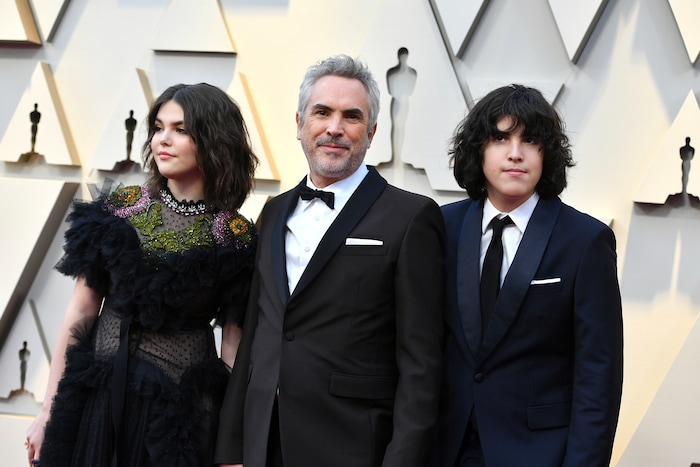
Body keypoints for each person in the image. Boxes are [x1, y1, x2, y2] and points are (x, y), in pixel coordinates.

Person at [215, 54, 445, 467]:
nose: (334, 128)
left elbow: (421, 364)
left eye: (351, 116)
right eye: (322, 112)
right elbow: (255, 336)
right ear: (300, 123)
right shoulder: (273, 212)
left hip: (352, 446)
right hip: (262, 442)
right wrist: (232, 448)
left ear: (372, 131)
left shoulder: (411, 217)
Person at [25, 83, 259, 466]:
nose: (163, 140)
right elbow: (80, 314)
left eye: (181, 130)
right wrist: (48, 410)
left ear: (214, 140)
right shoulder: (121, 208)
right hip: (97, 404)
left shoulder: (233, 235)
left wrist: (231, 444)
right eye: (159, 127)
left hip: (179, 419)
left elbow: (233, 348)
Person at [428, 84, 623, 466]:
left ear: (546, 154)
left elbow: (598, 379)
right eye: (500, 138)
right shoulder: (441, 226)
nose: (515, 153)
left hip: (537, 453)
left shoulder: (586, 241)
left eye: (530, 140)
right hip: (444, 446)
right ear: (478, 149)